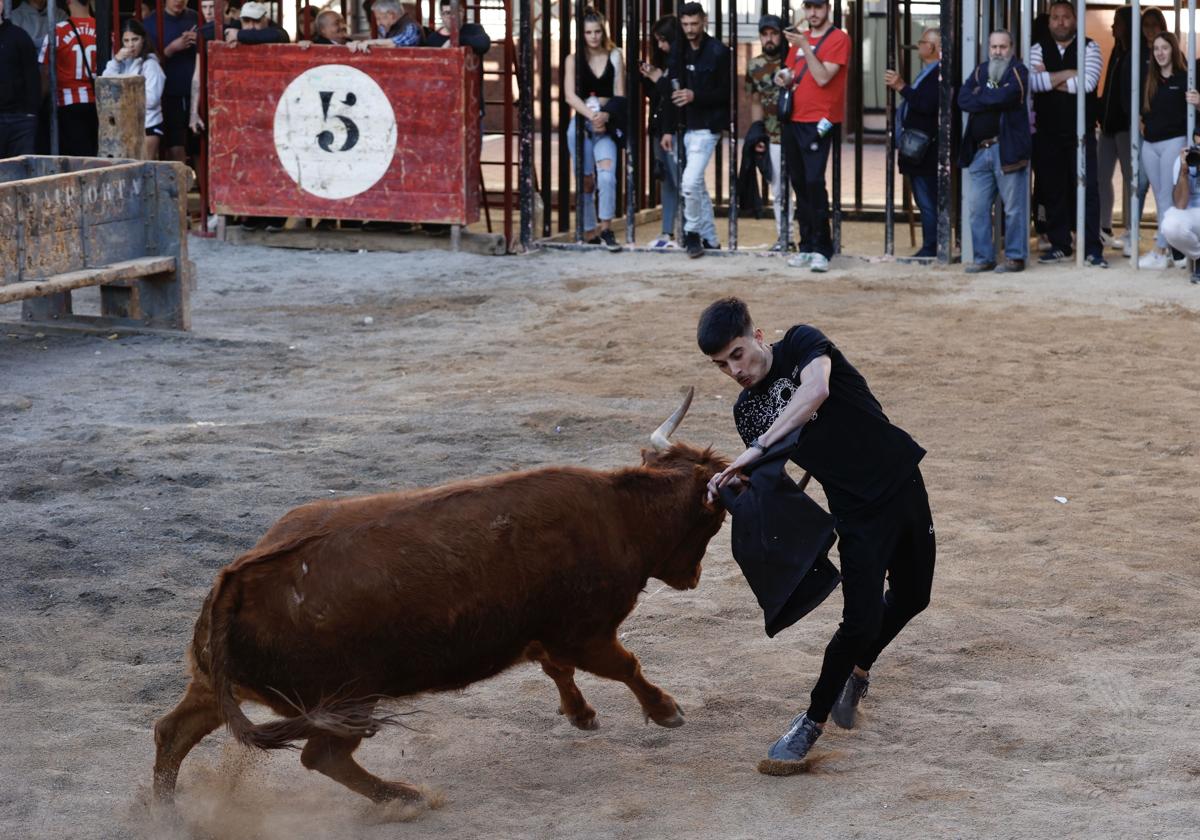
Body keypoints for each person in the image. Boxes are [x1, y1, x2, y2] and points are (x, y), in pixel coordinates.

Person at [698, 297, 934, 766]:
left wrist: (758, 449)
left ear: (758, 336)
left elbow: (816, 392)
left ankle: (858, 671)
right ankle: (812, 719)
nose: (733, 370)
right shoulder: (747, 412)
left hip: (902, 479)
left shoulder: (804, 343)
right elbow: (769, 483)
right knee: (859, 622)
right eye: (721, 364)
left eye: (737, 354)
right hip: (854, 512)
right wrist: (730, 485)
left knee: (913, 597)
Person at [1029, 0, 1105, 267]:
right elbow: (1034, 83)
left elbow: (1086, 83)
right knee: (1053, 189)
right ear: (1049, 22)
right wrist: (1070, 73)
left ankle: (1092, 247)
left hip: (1081, 133)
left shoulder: (1091, 46)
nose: (1060, 22)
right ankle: (1061, 244)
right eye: (1055, 18)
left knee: (1089, 190)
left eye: (1065, 17)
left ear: (1075, 20)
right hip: (1047, 132)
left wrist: (1051, 78)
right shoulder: (1037, 48)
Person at [778, 0, 850, 273]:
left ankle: (823, 247)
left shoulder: (838, 39)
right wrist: (783, 77)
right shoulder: (801, 38)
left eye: (817, 8)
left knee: (813, 180)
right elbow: (792, 72)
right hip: (795, 117)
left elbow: (822, 77)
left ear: (828, 8)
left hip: (821, 121)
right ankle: (806, 244)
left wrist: (806, 47)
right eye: (808, 8)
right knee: (798, 182)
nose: (812, 14)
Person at [958, 30, 1031, 274]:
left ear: (1012, 48)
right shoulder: (980, 71)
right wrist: (991, 97)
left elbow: (1009, 95)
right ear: (988, 48)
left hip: (1007, 150)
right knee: (977, 209)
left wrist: (983, 95)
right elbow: (962, 98)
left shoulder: (1019, 72)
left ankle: (1014, 258)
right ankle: (983, 258)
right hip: (980, 152)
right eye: (994, 47)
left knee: (1013, 209)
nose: (998, 51)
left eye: (1003, 47)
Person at [661, 2, 729, 259]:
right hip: (683, 127)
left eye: (694, 24)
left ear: (704, 21)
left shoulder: (719, 52)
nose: (689, 29)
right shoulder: (678, 51)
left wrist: (695, 95)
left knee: (689, 184)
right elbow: (670, 93)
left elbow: (726, 94)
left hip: (707, 127)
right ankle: (710, 239)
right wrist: (667, 129)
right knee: (697, 186)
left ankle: (691, 234)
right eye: (685, 24)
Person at [562, 6, 625, 252]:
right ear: (582, 34)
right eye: (588, 32)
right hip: (581, 124)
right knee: (586, 179)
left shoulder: (615, 55)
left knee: (607, 176)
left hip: (607, 123)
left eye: (598, 31)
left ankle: (606, 227)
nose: (594, 37)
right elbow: (569, 95)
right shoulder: (573, 59)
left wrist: (605, 114)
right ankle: (589, 230)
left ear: (604, 31)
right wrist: (592, 114)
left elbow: (620, 94)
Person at [1137, 32, 1195, 270]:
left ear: (1173, 50)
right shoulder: (1150, 80)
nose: (1160, 53)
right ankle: (1173, 251)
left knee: (1165, 197)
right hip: (1150, 144)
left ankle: (1162, 250)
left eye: (1165, 48)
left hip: (1174, 141)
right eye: (1156, 49)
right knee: (1160, 196)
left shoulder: (1184, 79)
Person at [884, 28, 942, 258]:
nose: (919, 46)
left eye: (923, 42)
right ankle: (933, 243)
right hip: (920, 149)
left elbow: (927, 105)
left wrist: (901, 87)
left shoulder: (938, 73)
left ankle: (932, 246)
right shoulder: (930, 71)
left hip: (926, 149)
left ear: (934, 47)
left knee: (927, 200)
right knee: (925, 198)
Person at [744, 13, 789, 250]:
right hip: (772, 135)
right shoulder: (754, 65)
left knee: (806, 186)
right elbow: (754, 100)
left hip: (797, 132)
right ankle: (785, 237)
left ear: (782, 35)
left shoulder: (794, 60)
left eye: (774, 33)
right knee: (779, 190)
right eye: (765, 34)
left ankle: (812, 237)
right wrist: (757, 133)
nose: (769, 39)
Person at [640, 15, 680, 249]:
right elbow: (656, 97)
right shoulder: (661, 61)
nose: (661, 46)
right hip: (657, 126)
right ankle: (667, 232)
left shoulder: (681, 61)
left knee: (681, 180)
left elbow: (674, 98)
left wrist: (658, 78)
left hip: (675, 129)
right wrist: (648, 78)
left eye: (664, 40)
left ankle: (687, 229)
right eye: (657, 41)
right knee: (665, 179)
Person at [101, 18, 166, 160]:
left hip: (148, 125)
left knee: (145, 170)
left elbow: (152, 100)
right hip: (127, 126)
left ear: (143, 39)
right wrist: (116, 60)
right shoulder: (124, 63)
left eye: (135, 39)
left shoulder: (150, 65)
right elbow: (106, 84)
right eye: (126, 40)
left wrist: (123, 100)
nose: (131, 45)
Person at [39, 0, 97, 157]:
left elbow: (45, 72)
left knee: (76, 159)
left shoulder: (56, 31)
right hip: (99, 103)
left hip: (68, 103)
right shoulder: (104, 29)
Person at [145, 0, 199, 164]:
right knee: (174, 145)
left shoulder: (196, 18)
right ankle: (180, 189)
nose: (178, 1)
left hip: (197, 91)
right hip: (168, 92)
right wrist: (171, 49)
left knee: (200, 145)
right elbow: (146, 62)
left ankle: (205, 189)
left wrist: (201, 41)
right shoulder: (151, 23)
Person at [1097, 6, 1132, 251]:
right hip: (1108, 126)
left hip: (1126, 127)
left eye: (1116, 23)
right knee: (1101, 176)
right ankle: (1104, 227)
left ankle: (1132, 229)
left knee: (1132, 180)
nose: (1112, 27)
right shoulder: (1118, 50)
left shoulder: (1135, 52)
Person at [0, 1, 40, 158]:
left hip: (19, 121)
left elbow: (32, 77)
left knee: (22, 176)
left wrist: (30, 113)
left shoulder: (19, 36)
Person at [1160, 145, 1200, 283]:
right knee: (1171, 224)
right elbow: (1180, 205)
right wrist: (1183, 174)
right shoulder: (1185, 160)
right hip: (1193, 215)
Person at [357, 0, 422, 50]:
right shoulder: (390, 28)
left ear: (391, 15)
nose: (378, 23)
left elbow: (396, 43)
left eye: (379, 18)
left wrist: (371, 42)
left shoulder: (411, 27)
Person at [224, 1, 289, 46]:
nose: (251, 26)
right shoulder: (238, 24)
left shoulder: (276, 29)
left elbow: (277, 35)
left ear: (266, 20)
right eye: (246, 21)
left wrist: (238, 35)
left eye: (257, 21)